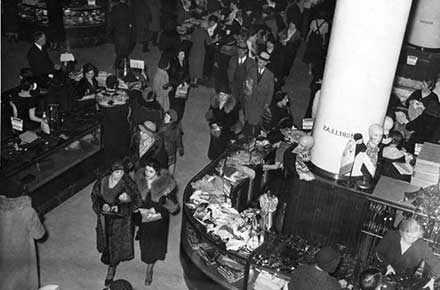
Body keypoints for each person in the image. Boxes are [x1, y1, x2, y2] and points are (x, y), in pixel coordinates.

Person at [91, 161, 141, 287]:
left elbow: (137, 202)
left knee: (116, 245)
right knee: (105, 240)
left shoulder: (128, 184)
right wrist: (101, 206)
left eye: (122, 172)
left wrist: (127, 200)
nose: (120, 175)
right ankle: (108, 256)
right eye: (117, 172)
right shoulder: (102, 181)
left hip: (120, 221)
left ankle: (111, 270)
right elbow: (94, 196)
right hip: (104, 217)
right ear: (112, 172)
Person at [134, 158, 179, 285]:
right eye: (146, 170)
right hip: (142, 218)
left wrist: (158, 206)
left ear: (157, 173)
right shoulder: (140, 181)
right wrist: (136, 207)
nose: (147, 173)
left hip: (157, 220)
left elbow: (173, 207)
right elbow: (134, 197)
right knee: (144, 241)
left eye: (151, 171)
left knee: (152, 247)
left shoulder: (165, 185)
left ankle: (149, 269)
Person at [375, 218, 440, 290]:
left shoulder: (421, 245)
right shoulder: (391, 236)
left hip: (404, 282)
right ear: (402, 232)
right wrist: (387, 265)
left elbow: (436, 263)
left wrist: (432, 279)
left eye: (415, 237)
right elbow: (379, 252)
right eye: (408, 236)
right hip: (383, 273)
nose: (411, 240)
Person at [0, 188, 46, 290]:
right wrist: (39, 217)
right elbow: (39, 234)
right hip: (23, 257)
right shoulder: (27, 211)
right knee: (24, 282)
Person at [96, 75, 131, 169]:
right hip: (121, 130)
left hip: (108, 131)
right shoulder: (123, 96)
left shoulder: (100, 96)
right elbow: (127, 111)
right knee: (121, 155)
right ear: (116, 85)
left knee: (109, 155)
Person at [243, 51, 274, 136]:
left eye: (262, 62)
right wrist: (247, 91)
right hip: (250, 99)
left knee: (257, 121)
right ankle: (246, 135)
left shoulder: (270, 75)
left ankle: (255, 135)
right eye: (259, 61)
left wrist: (267, 103)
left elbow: (271, 90)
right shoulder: (252, 70)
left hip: (261, 102)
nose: (260, 64)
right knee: (248, 119)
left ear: (266, 63)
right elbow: (246, 82)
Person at [205, 86, 240, 160]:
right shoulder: (214, 102)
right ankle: (212, 156)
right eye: (220, 94)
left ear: (229, 95)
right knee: (213, 143)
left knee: (221, 150)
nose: (222, 97)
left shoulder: (233, 106)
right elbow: (210, 114)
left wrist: (220, 127)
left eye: (225, 95)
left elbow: (232, 121)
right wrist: (213, 124)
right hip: (215, 129)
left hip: (226, 131)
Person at [227, 40, 257, 108]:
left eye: (242, 50)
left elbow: (253, 77)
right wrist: (231, 83)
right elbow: (229, 72)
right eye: (238, 49)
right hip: (235, 86)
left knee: (245, 105)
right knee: (233, 104)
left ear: (246, 51)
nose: (240, 52)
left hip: (245, 87)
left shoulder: (251, 63)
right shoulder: (233, 59)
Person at [107, 0, 136, 67]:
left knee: (119, 50)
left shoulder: (115, 9)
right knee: (125, 51)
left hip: (117, 33)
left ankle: (118, 65)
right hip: (127, 33)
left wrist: (109, 33)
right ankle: (123, 64)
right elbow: (133, 23)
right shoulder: (130, 9)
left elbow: (111, 23)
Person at [158, 109, 184, 175]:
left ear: (171, 120)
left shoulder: (163, 128)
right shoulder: (177, 128)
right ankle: (171, 176)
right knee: (171, 162)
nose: (164, 118)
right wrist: (180, 148)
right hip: (172, 148)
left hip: (164, 148)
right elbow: (179, 139)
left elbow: (157, 136)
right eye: (165, 116)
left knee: (164, 163)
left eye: (167, 117)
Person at [169, 47, 191, 122]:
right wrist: (179, 84)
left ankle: (179, 118)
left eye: (184, 54)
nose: (183, 56)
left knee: (182, 104)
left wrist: (186, 82)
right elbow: (171, 78)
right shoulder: (173, 64)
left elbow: (187, 73)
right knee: (175, 105)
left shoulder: (185, 62)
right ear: (177, 55)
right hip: (176, 88)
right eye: (181, 54)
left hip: (184, 87)